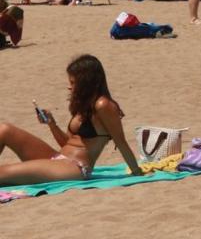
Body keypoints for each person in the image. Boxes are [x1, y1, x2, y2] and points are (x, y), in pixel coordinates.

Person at [0, 54, 142, 183]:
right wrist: (52, 124)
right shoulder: (84, 104)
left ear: (86, 82)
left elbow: (121, 142)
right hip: (58, 159)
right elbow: (66, 143)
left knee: (3, 172)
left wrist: (137, 172)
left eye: (73, 83)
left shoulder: (103, 105)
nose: (70, 87)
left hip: (75, 167)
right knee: (4, 129)